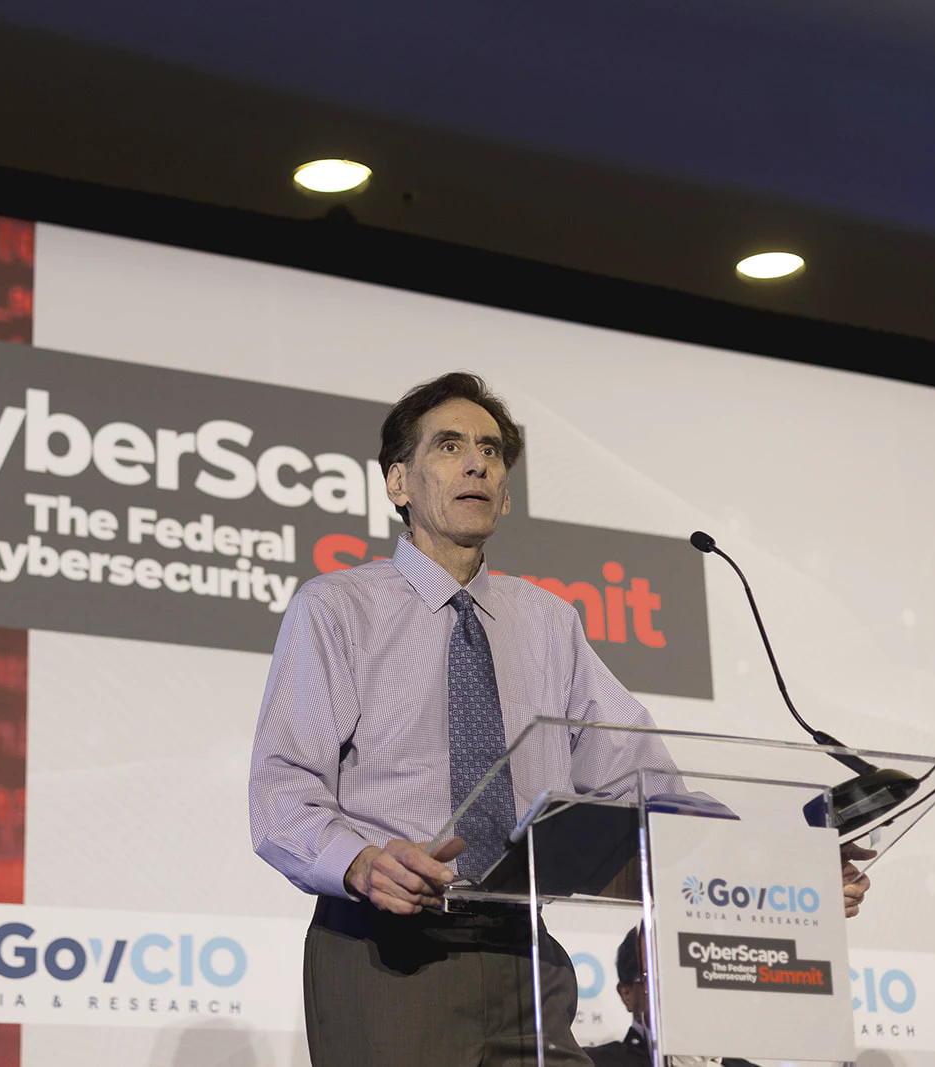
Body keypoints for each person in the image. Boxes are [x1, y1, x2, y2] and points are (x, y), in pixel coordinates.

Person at [249, 372, 872, 1067]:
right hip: (386, 950)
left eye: (490, 451)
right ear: (399, 483)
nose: (477, 463)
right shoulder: (336, 609)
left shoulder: (549, 623)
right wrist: (361, 864)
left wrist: (786, 869)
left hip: (525, 954)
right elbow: (282, 794)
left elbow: (646, 788)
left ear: (507, 493)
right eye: (450, 446)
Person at [586, 924, 758, 1067]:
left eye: (693, 974)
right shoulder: (592, 1063)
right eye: (660, 975)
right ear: (627, 994)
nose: (680, 989)